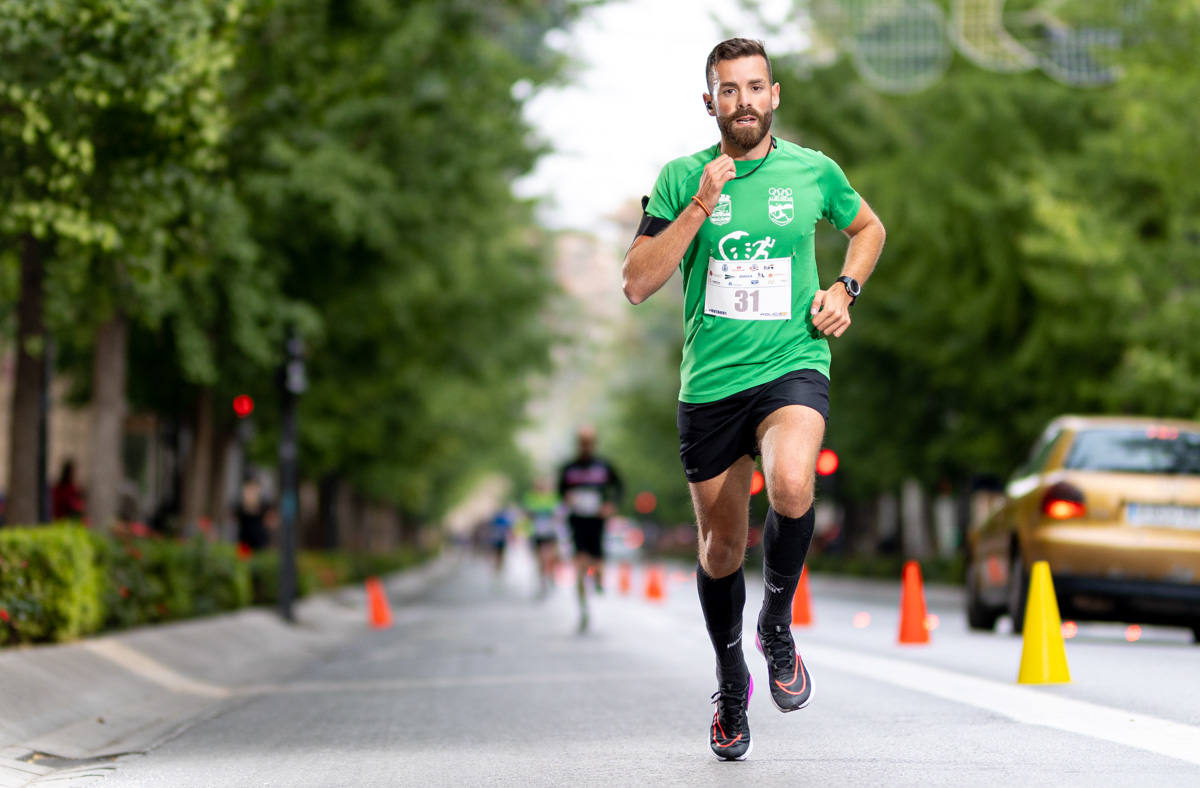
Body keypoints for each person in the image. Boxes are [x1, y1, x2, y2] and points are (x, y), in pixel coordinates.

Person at [621, 38, 886, 761]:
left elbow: (868, 227)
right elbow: (638, 281)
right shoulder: (681, 178)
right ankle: (731, 678)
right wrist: (700, 206)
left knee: (795, 481)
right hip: (711, 385)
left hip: (791, 363)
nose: (743, 101)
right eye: (728, 90)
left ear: (775, 96)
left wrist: (844, 288)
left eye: (754, 87)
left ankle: (776, 621)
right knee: (720, 547)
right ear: (710, 102)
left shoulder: (811, 171)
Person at [558, 426, 623, 632]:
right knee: (579, 566)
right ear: (578, 444)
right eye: (582, 442)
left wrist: (611, 504)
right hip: (577, 521)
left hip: (597, 521)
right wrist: (566, 498)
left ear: (594, 444)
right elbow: (560, 490)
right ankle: (583, 610)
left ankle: (598, 578)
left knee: (596, 563)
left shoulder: (604, 466)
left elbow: (619, 487)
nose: (585, 446)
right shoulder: (568, 468)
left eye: (589, 442)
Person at [523, 477, 562, 598]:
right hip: (536, 533)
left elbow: (560, 513)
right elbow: (527, 514)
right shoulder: (530, 498)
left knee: (551, 557)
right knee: (540, 559)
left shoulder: (554, 498)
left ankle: (551, 576)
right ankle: (542, 583)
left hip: (551, 532)